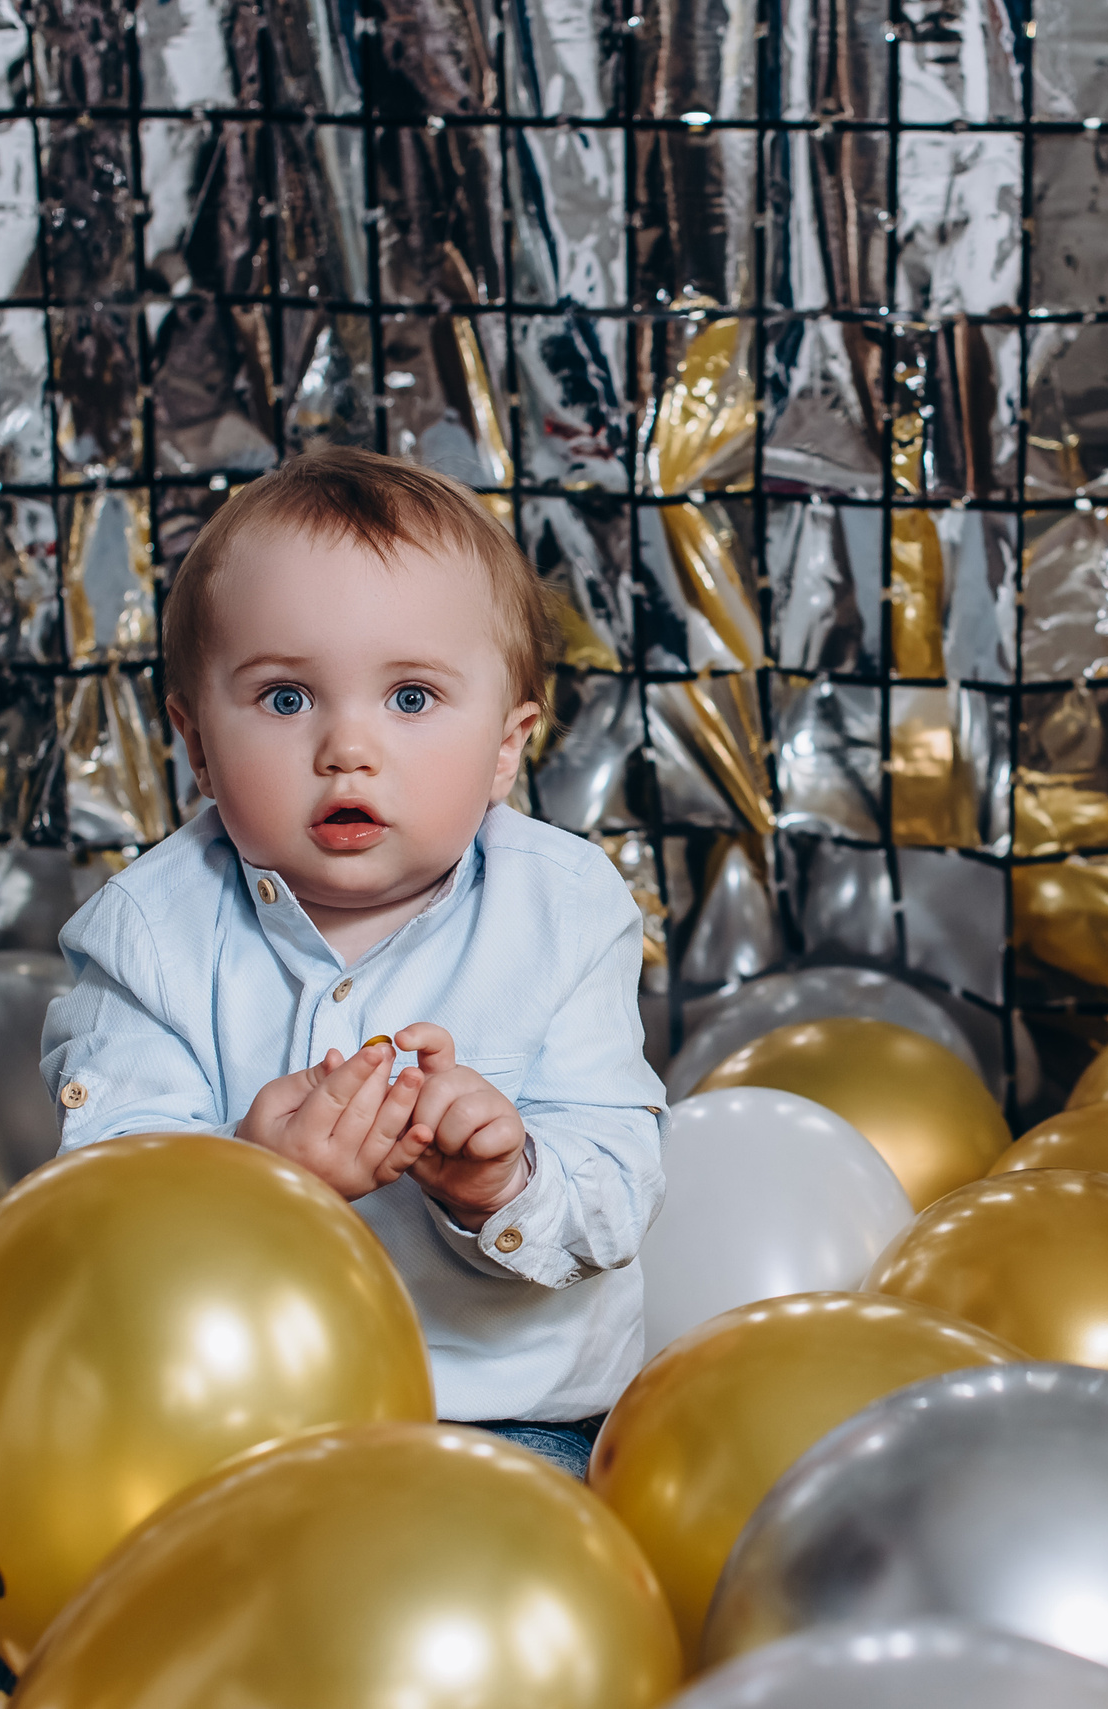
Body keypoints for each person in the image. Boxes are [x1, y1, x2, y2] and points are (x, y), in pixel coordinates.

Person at [39, 446, 663, 1479]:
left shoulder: (565, 907)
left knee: (481, 1593)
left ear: (508, 746)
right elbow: (98, 1226)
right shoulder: (146, 935)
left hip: (503, 1413)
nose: (347, 747)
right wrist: (259, 1183)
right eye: (286, 698)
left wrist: (501, 1178)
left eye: (411, 697)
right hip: (230, 1417)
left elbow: (618, 1183)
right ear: (196, 745)